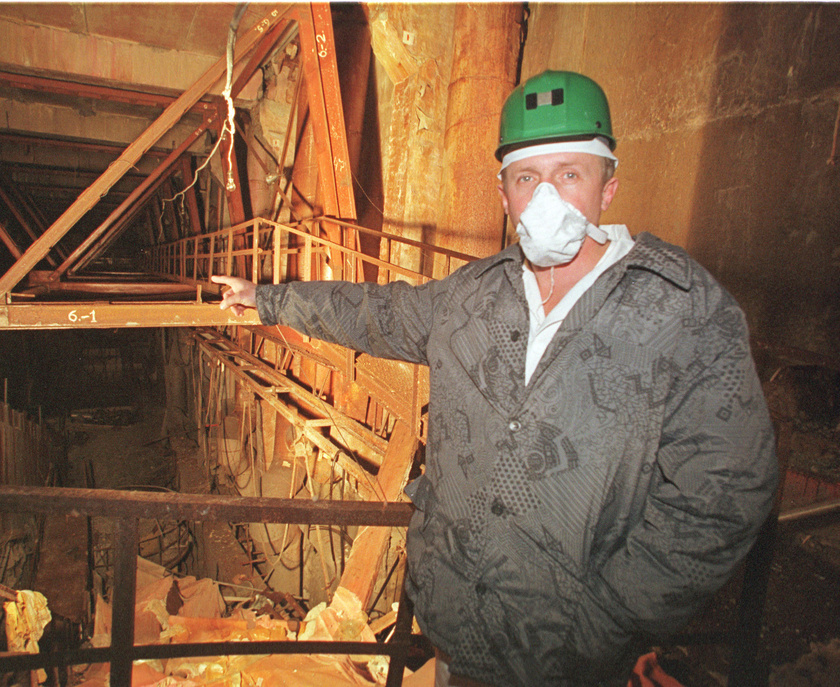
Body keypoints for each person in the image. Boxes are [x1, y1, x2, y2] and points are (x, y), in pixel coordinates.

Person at [212, 71, 778, 686]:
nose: (546, 199)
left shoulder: (681, 310)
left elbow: (726, 491)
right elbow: (379, 314)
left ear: (608, 186)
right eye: (526, 177)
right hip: (457, 628)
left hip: (572, 659)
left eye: (569, 174)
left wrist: (613, 618)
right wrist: (269, 300)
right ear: (503, 192)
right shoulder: (474, 295)